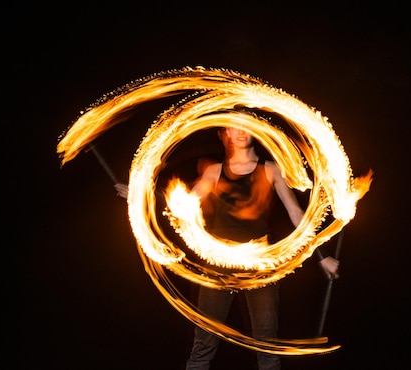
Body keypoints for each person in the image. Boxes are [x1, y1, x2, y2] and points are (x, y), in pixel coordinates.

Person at [114, 125, 339, 370]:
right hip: (219, 265)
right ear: (225, 134)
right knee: (204, 341)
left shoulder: (271, 169)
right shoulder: (213, 172)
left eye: (245, 126)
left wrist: (322, 256)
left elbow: (297, 215)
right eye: (234, 127)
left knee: (267, 341)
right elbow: (184, 203)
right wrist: (142, 194)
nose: (240, 131)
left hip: (260, 264)